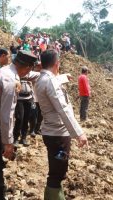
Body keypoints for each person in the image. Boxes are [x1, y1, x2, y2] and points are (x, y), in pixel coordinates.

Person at [0, 50, 38, 200]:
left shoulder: (8, 69)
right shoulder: (11, 81)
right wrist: (8, 143)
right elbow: (7, 115)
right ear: (28, 67)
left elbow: (28, 75)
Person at [35, 50, 88, 199]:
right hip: (58, 134)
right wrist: (78, 133)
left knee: (56, 171)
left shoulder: (41, 79)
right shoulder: (50, 81)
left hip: (50, 132)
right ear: (57, 64)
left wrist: (63, 77)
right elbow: (63, 109)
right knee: (58, 173)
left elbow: (52, 81)